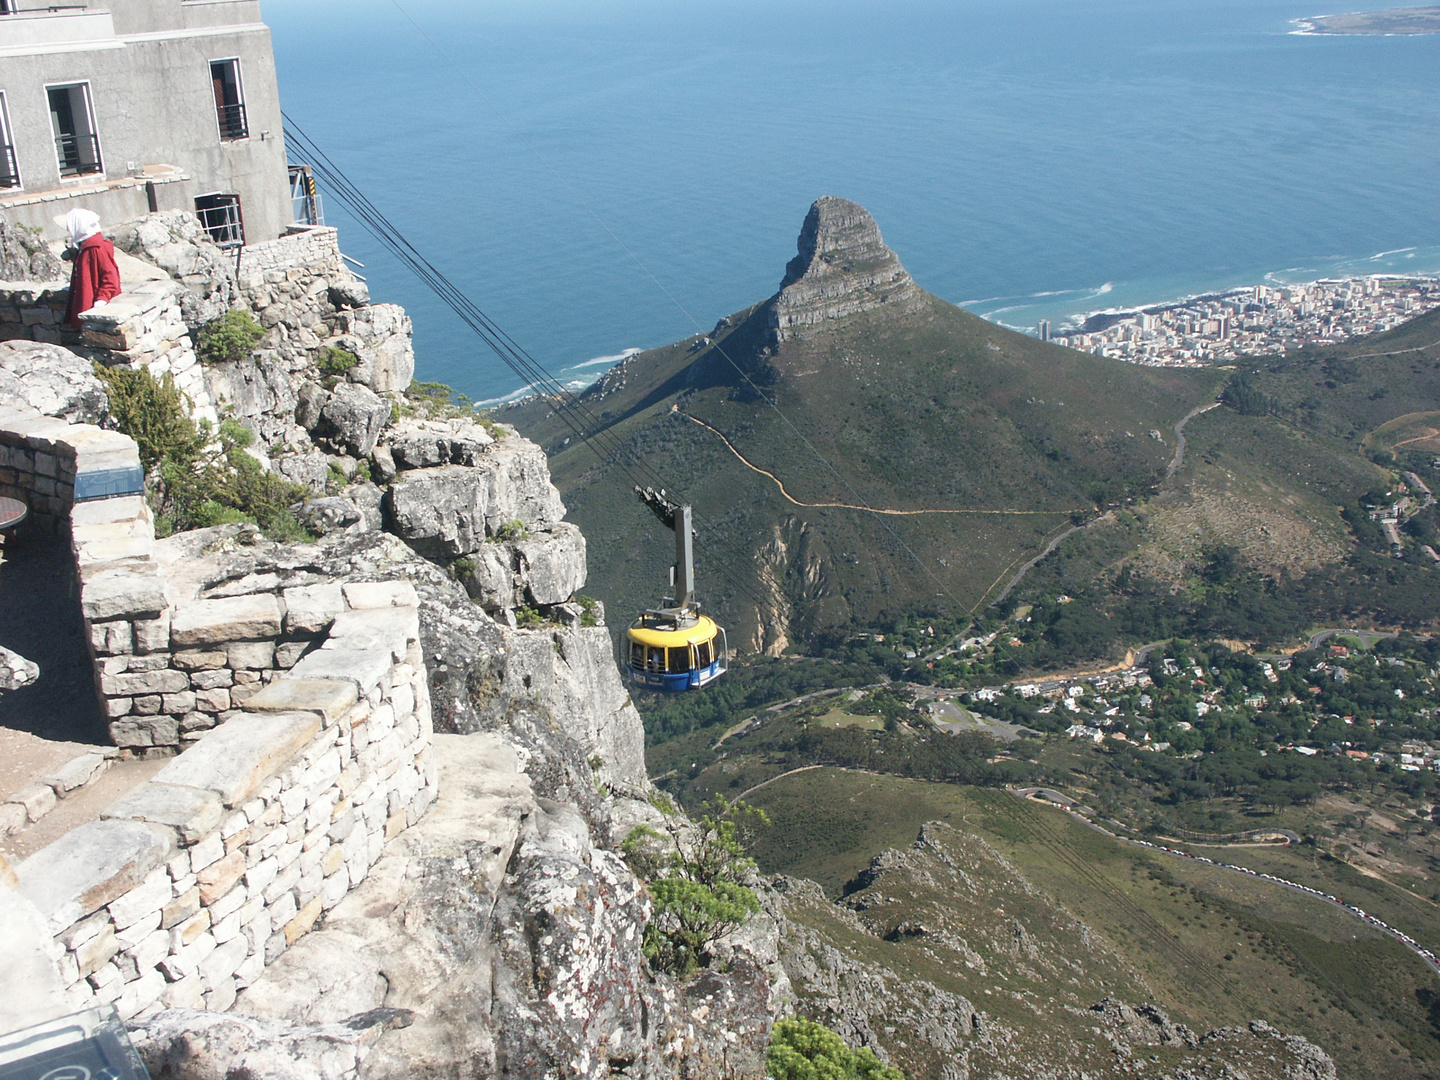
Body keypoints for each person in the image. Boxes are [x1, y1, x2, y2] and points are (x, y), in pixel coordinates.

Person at [63, 209, 121, 329]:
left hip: (91, 305)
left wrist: (102, 298)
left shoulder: (96, 248)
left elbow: (111, 277)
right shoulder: (84, 247)